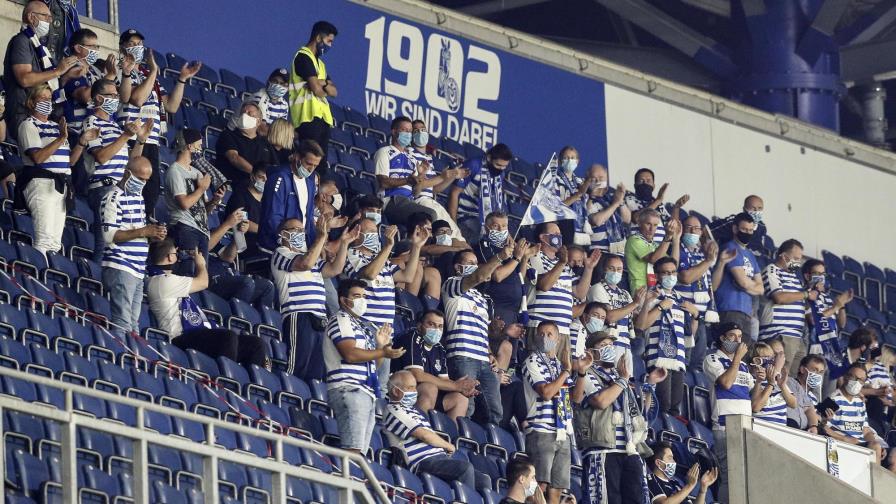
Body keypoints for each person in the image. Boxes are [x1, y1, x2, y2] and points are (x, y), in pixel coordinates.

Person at [573, 331, 663, 504]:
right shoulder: (586, 374)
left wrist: (650, 384)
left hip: (629, 449)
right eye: (603, 346)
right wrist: (622, 380)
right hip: (603, 449)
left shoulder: (619, 376)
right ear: (591, 352)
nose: (609, 349)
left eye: (610, 345)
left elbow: (638, 412)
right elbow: (601, 401)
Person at [146, 239, 267, 367]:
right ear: (170, 257)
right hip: (179, 337)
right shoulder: (161, 281)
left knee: (255, 344)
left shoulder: (168, 280)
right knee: (227, 337)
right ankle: (226, 382)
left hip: (195, 334)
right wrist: (201, 264)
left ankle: (245, 383)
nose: (179, 258)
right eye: (175, 254)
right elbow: (203, 282)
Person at [118, 29, 199, 216]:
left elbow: (171, 106)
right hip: (131, 137)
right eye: (132, 44)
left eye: (140, 44)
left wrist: (182, 80)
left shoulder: (149, 75)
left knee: (151, 190)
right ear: (122, 48)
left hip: (151, 141)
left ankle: (143, 223)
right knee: (130, 182)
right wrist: (154, 71)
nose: (137, 48)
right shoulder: (120, 71)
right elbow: (136, 99)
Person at [324, 279, 404, 454]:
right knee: (353, 451)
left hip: (365, 392)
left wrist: (380, 347)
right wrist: (383, 352)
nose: (362, 301)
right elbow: (350, 354)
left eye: (364, 296)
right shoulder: (341, 319)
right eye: (357, 296)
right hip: (350, 389)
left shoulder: (361, 326)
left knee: (359, 452)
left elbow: (373, 364)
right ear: (344, 300)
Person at [272, 215, 355, 379]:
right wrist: (321, 236)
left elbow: (334, 269)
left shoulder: (311, 258)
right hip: (299, 315)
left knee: (316, 371)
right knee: (298, 365)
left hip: (319, 318)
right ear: (282, 234)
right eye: (294, 230)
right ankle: (290, 396)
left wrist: (344, 243)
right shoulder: (281, 253)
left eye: (302, 230)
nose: (299, 233)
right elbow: (305, 264)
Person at [443, 246, 514, 424]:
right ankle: (461, 444)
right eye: (470, 263)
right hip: (463, 356)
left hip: (483, 359)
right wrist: (499, 257)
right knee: (467, 405)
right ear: (458, 268)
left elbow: (482, 332)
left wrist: (490, 353)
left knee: (495, 409)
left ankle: (491, 448)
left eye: (476, 263)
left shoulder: (483, 300)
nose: (475, 266)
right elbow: (478, 276)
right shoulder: (451, 285)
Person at [83, 78, 150, 261]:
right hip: (102, 188)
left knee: (120, 243)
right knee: (104, 243)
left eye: (116, 95)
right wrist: (125, 135)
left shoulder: (115, 126)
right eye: (110, 95)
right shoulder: (91, 121)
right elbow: (101, 157)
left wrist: (140, 139)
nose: (115, 98)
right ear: (98, 98)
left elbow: (131, 162)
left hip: (120, 189)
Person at [100, 157, 167, 337]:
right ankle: (119, 359)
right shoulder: (113, 197)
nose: (143, 183)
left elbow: (138, 232)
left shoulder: (138, 197)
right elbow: (109, 235)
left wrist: (154, 235)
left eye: (146, 180)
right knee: (122, 323)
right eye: (140, 178)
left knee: (133, 327)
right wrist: (144, 231)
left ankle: (133, 363)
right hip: (121, 265)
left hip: (137, 269)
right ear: (128, 173)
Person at [383, 370, 479, 487]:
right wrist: (448, 446)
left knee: (483, 480)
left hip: (439, 459)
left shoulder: (415, 411)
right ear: (396, 391)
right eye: (410, 388)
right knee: (465, 469)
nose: (415, 391)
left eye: (415, 388)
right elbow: (424, 435)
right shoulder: (394, 410)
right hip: (421, 462)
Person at [17, 84, 80, 255]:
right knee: (44, 239)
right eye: (42, 98)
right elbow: (37, 158)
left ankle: (49, 279)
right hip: (41, 183)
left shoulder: (55, 126)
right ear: (31, 102)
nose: (47, 102)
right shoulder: (28, 125)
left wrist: (82, 143)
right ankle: (37, 277)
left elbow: (69, 162)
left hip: (61, 186)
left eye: (49, 99)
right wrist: (61, 139)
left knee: (54, 243)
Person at [4, 1, 79, 135]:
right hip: (24, 114)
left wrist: (66, 75)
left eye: (50, 17)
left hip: (41, 115)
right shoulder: (21, 41)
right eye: (45, 16)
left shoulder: (40, 46)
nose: (50, 21)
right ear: (31, 17)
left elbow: (46, 82)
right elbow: (24, 79)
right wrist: (57, 71)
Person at [520, 321, 575, 504]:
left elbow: (575, 398)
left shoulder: (560, 365)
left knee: (557, 489)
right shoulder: (531, 361)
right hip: (541, 430)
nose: (545, 338)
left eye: (550, 334)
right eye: (541, 334)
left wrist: (580, 372)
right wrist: (566, 372)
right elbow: (546, 393)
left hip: (562, 431)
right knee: (539, 485)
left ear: (558, 338)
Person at [636, 256, 698, 415]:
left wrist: (695, 316)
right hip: (657, 358)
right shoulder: (650, 296)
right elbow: (641, 326)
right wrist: (660, 308)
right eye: (665, 273)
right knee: (661, 405)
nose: (670, 276)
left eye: (673, 272)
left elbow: (689, 336)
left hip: (678, 360)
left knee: (674, 409)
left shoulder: (680, 299)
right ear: (656, 276)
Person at [393, 310, 479, 420]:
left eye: (440, 326)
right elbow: (417, 375)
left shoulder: (439, 348)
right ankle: (419, 429)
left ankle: (447, 436)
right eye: (431, 324)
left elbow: (445, 380)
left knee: (460, 399)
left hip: (427, 396)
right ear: (420, 326)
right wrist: (455, 386)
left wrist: (461, 386)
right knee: (430, 387)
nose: (436, 330)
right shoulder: (412, 337)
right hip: (402, 391)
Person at [703, 322, 753, 504]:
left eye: (740, 337)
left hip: (746, 427)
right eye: (732, 336)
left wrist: (768, 381)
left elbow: (754, 399)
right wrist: (738, 358)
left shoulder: (745, 367)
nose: (737, 341)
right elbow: (725, 383)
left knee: (744, 477)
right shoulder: (712, 359)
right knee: (730, 476)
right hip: (725, 427)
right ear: (722, 338)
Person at [165, 128, 227, 275]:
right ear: (189, 146)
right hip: (185, 227)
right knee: (188, 273)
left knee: (200, 276)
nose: (200, 148)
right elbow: (184, 204)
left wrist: (215, 200)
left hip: (202, 230)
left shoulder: (197, 172)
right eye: (198, 144)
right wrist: (202, 188)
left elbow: (203, 210)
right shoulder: (175, 171)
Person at [528, 221, 599, 339]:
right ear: (542, 237)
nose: (559, 237)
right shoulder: (534, 256)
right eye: (555, 234)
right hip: (541, 326)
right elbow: (544, 285)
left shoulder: (563, 264)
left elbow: (580, 293)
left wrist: (589, 269)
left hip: (563, 329)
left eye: (560, 234)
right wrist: (561, 263)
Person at [258, 139, 323, 253]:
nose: (311, 169)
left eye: (315, 165)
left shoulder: (311, 179)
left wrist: (313, 245)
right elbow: (273, 217)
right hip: (277, 246)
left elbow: (308, 216)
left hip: (300, 245)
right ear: (297, 157)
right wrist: (286, 246)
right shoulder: (280, 177)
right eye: (308, 163)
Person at [408, 118, 467, 240]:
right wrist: (442, 176)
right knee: (452, 236)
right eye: (416, 131)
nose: (421, 133)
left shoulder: (428, 158)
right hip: (418, 200)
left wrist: (452, 177)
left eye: (423, 130)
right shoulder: (409, 154)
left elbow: (434, 189)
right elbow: (417, 185)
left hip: (430, 200)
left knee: (457, 234)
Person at [290, 20, 338, 169]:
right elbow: (316, 90)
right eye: (329, 41)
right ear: (318, 38)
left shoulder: (320, 64)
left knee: (320, 164)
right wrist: (324, 84)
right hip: (307, 117)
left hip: (322, 119)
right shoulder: (303, 57)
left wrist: (321, 82)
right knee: (309, 160)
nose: (330, 45)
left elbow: (334, 92)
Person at [374, 116, 437, 227]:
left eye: (410, 131)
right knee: (430, 214)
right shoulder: (384, 152)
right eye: (405, 130)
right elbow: (383, 182)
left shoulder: (412, 159)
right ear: (394, 132)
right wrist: (407, 180)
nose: (408, 134)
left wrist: (421, 176)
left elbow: (416, 192)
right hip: (391, 200)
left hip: (409, 202)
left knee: (438, 222)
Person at [758, 239, 813, 366]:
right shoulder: (772, 270)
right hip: (780, 333)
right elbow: (779, 297)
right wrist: (805, 294)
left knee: (790, 381)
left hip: (797, 336)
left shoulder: (795, 278)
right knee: (778, 373)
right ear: (783, 256)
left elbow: (803, 306)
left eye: (800, 259)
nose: (798, 262)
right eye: (795, 258)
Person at [206, 208, 275, 308]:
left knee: (267, 286)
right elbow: (205, 247)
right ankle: (238, 322)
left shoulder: (217, 233)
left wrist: (239, 233)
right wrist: (227, 224)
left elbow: (228, 257)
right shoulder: (200, 235)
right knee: (246, 282)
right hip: (210, 279)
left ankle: (259, 322)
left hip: (228, 276)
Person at [588, 254, 646, 372]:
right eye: (611, 268)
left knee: (624, 383)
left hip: (626, 344)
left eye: (619, 269)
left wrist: (647, 302)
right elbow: (609, 317)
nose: (616, 272)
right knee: (609, 380)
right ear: (604, 269)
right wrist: (634, 304)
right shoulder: (597, 288)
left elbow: (637, 323)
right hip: (607, 343)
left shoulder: (625, 293)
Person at [711, 212, 762, 342]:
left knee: (742, 356)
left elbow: (761, 289)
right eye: (744, 229)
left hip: (746, 312)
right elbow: (743, 282)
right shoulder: (730, 248)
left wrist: (745, 284)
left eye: (750, 230)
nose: (748, 233)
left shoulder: (750, 255)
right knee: (730, 352)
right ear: (735, 229)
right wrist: (749, 285)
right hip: (728, 308)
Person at [476, 211, 535, 324]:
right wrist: (517, 258)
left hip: (515, 310)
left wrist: (524, 256)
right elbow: (497, 276)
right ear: (487, 228)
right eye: (495, 226)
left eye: (504, 226)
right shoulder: (484, 246)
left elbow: (520, 277)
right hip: (498, 307)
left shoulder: (509, 248)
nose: (500, 229)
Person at [676, 216, 718, 368]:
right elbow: (686, 277)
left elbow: (710, 286)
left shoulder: (702, 253)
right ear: (682, 228)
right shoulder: (678, 250)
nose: (693, 232)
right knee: (684, 362)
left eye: (697, 228)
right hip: (684, 315)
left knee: (697, 365)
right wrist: (707, 261)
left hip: (700, 317)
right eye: (689, 228)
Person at [449, 143, 513, 243]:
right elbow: (454, 193)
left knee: (502, 240)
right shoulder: (473, 165)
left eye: (504, 166)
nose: (501, 169)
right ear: (489, 158)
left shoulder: (500, 174)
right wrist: (453, 223)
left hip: (486, 218)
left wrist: (506, 233)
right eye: (498, 165)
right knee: (479, 232)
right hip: (465, 215)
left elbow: (496, 203)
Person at [824, 363, 885, 463]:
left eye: (861, 380)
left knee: (876, 447)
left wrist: (874, 442)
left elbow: (866, 431)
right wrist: (845, 439)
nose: (857, 382)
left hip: (860, 446)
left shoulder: (860, 403)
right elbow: (822, 426)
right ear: (846, 376)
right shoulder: (832, 399)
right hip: (842, 446)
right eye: (854, 377)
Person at [803, 258, 853, 378]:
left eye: (823, 274)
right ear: (807, 276)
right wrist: (836, 305)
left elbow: (842, 324)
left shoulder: (827, 297)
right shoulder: (805, 293)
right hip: (815, 348)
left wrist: (841, 305)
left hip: (831, 351)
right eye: (817, 274)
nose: (821, 277)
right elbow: (814, 320)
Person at [215, 101, 275, 186]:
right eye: (243, 113)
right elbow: (234, 157)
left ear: (258, 121)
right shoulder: (227, 135)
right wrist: (256, 175)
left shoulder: (265, 143)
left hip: (260, 186)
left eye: (250, 114)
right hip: (234, 185)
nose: (245, 116)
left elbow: (274, 165)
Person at [624, 168, 687, 245]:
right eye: (641, 181)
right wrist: (658, 200)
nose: (645, 183)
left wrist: (676, 207)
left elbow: (672, 226)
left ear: (653, 186)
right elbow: (636, 218)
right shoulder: (629, 199)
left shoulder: (658, 204)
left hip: (659, 249)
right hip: (639, 248)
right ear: (635, 185)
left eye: (648, 181)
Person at [624, 208, 681, 293]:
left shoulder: (655, 245)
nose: (651, 229)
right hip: (640, 292)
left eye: (655, 225)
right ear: (639, 223)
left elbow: (673, 264)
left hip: (656, 291)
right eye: (648, 224)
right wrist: (668, 237)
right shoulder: (634, 240)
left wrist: (676, 239)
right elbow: (653, 259)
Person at [225, 162, 267, 268]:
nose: (264, 181)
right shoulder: (239, 196)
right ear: (252, 177)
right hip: (246, 245)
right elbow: (242, 222)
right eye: (261, 178)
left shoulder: (268, 200)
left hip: (264, 243)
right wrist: (267, 231)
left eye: (267, 179)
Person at [646, 442, 718, 504]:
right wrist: (689, 485)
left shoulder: (675, 483)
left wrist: (703, 489)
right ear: (659, 463)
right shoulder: (651, 480)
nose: (674, 462)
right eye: (670, 458)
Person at [584, 164, 629, 255]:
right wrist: (615, 203)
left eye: (601, 178)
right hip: (599, 253)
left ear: (607, 178)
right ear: (587, 180)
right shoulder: (585, 197)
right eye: (594, 178)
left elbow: (627, 219)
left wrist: (621, 200)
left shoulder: (611, 196)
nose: (598, 181)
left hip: (619, 251)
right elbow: (596, 221)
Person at [749, 342, 797, 425]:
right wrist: (771, 384)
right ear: (756, 360)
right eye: (766, 358)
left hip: (780, 431)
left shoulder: (777, 378)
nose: (770, 361)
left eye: (771, 358)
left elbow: (793, 404)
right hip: (762, 430)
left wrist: (782, 386)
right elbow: (756, 407)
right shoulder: (751, 380)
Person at [553, 146, 593, 246]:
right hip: (564, 225)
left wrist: (592, 196)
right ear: (559, 161)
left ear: (577, 161)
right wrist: (577, 195)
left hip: (582, 229)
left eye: (572, 158)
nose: (569, 160)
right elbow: (555, 207)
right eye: (566, 158)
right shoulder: (554, 180)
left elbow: (586, 209)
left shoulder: (581, 182)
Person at [786, 354, 826, 432]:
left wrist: (822, 420)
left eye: (820, 372)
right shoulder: (789, 382)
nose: (817, 375)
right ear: (802, 369)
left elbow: (812, 414)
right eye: (814, 370)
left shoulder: (813, 397)